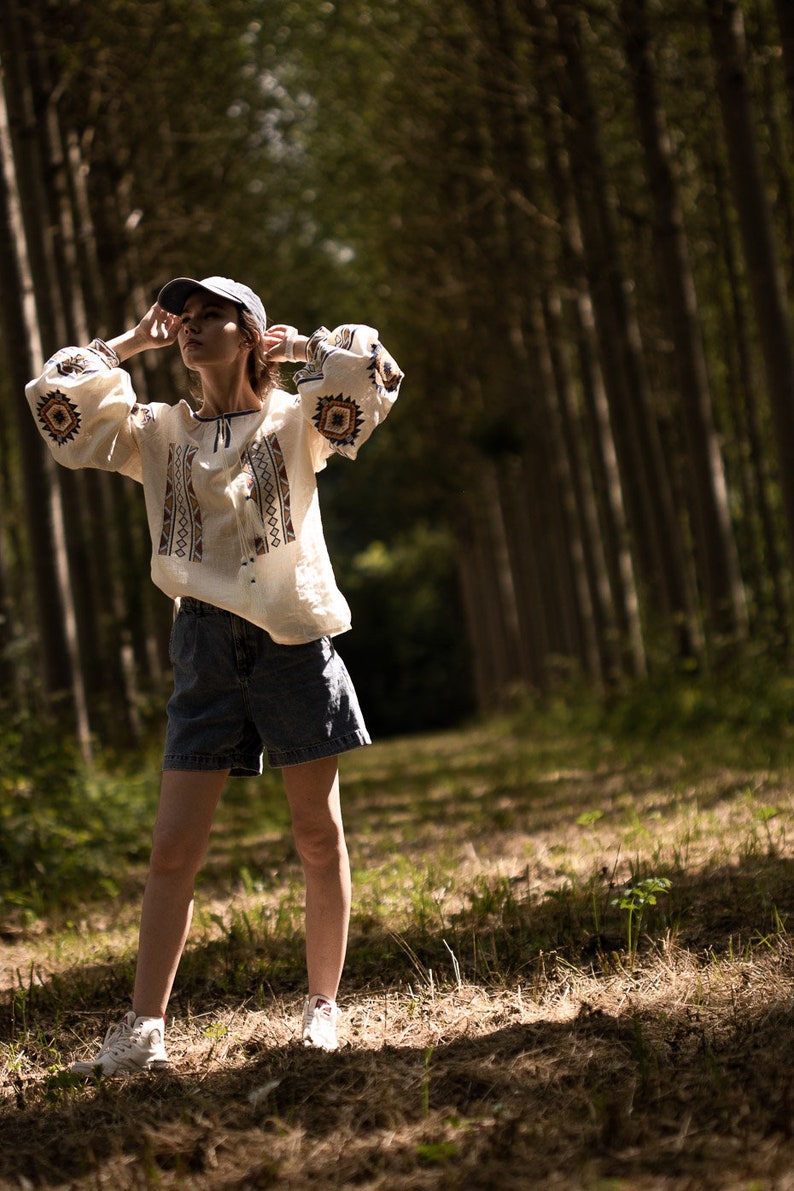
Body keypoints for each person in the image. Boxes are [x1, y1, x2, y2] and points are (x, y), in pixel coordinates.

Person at [25, 275, 403, 1073]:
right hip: (202, 648)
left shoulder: (298, 421)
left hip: (292, 642)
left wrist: (298, 347)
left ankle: (323, 1010)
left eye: (212, 317)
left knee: (315, 831)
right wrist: (129, 345)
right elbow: (58, 409)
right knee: (172, 848)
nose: (191, 329)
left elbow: (375, 373)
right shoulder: (157, 432)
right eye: (184, 318)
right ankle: (144, 1028)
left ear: (249, 333)